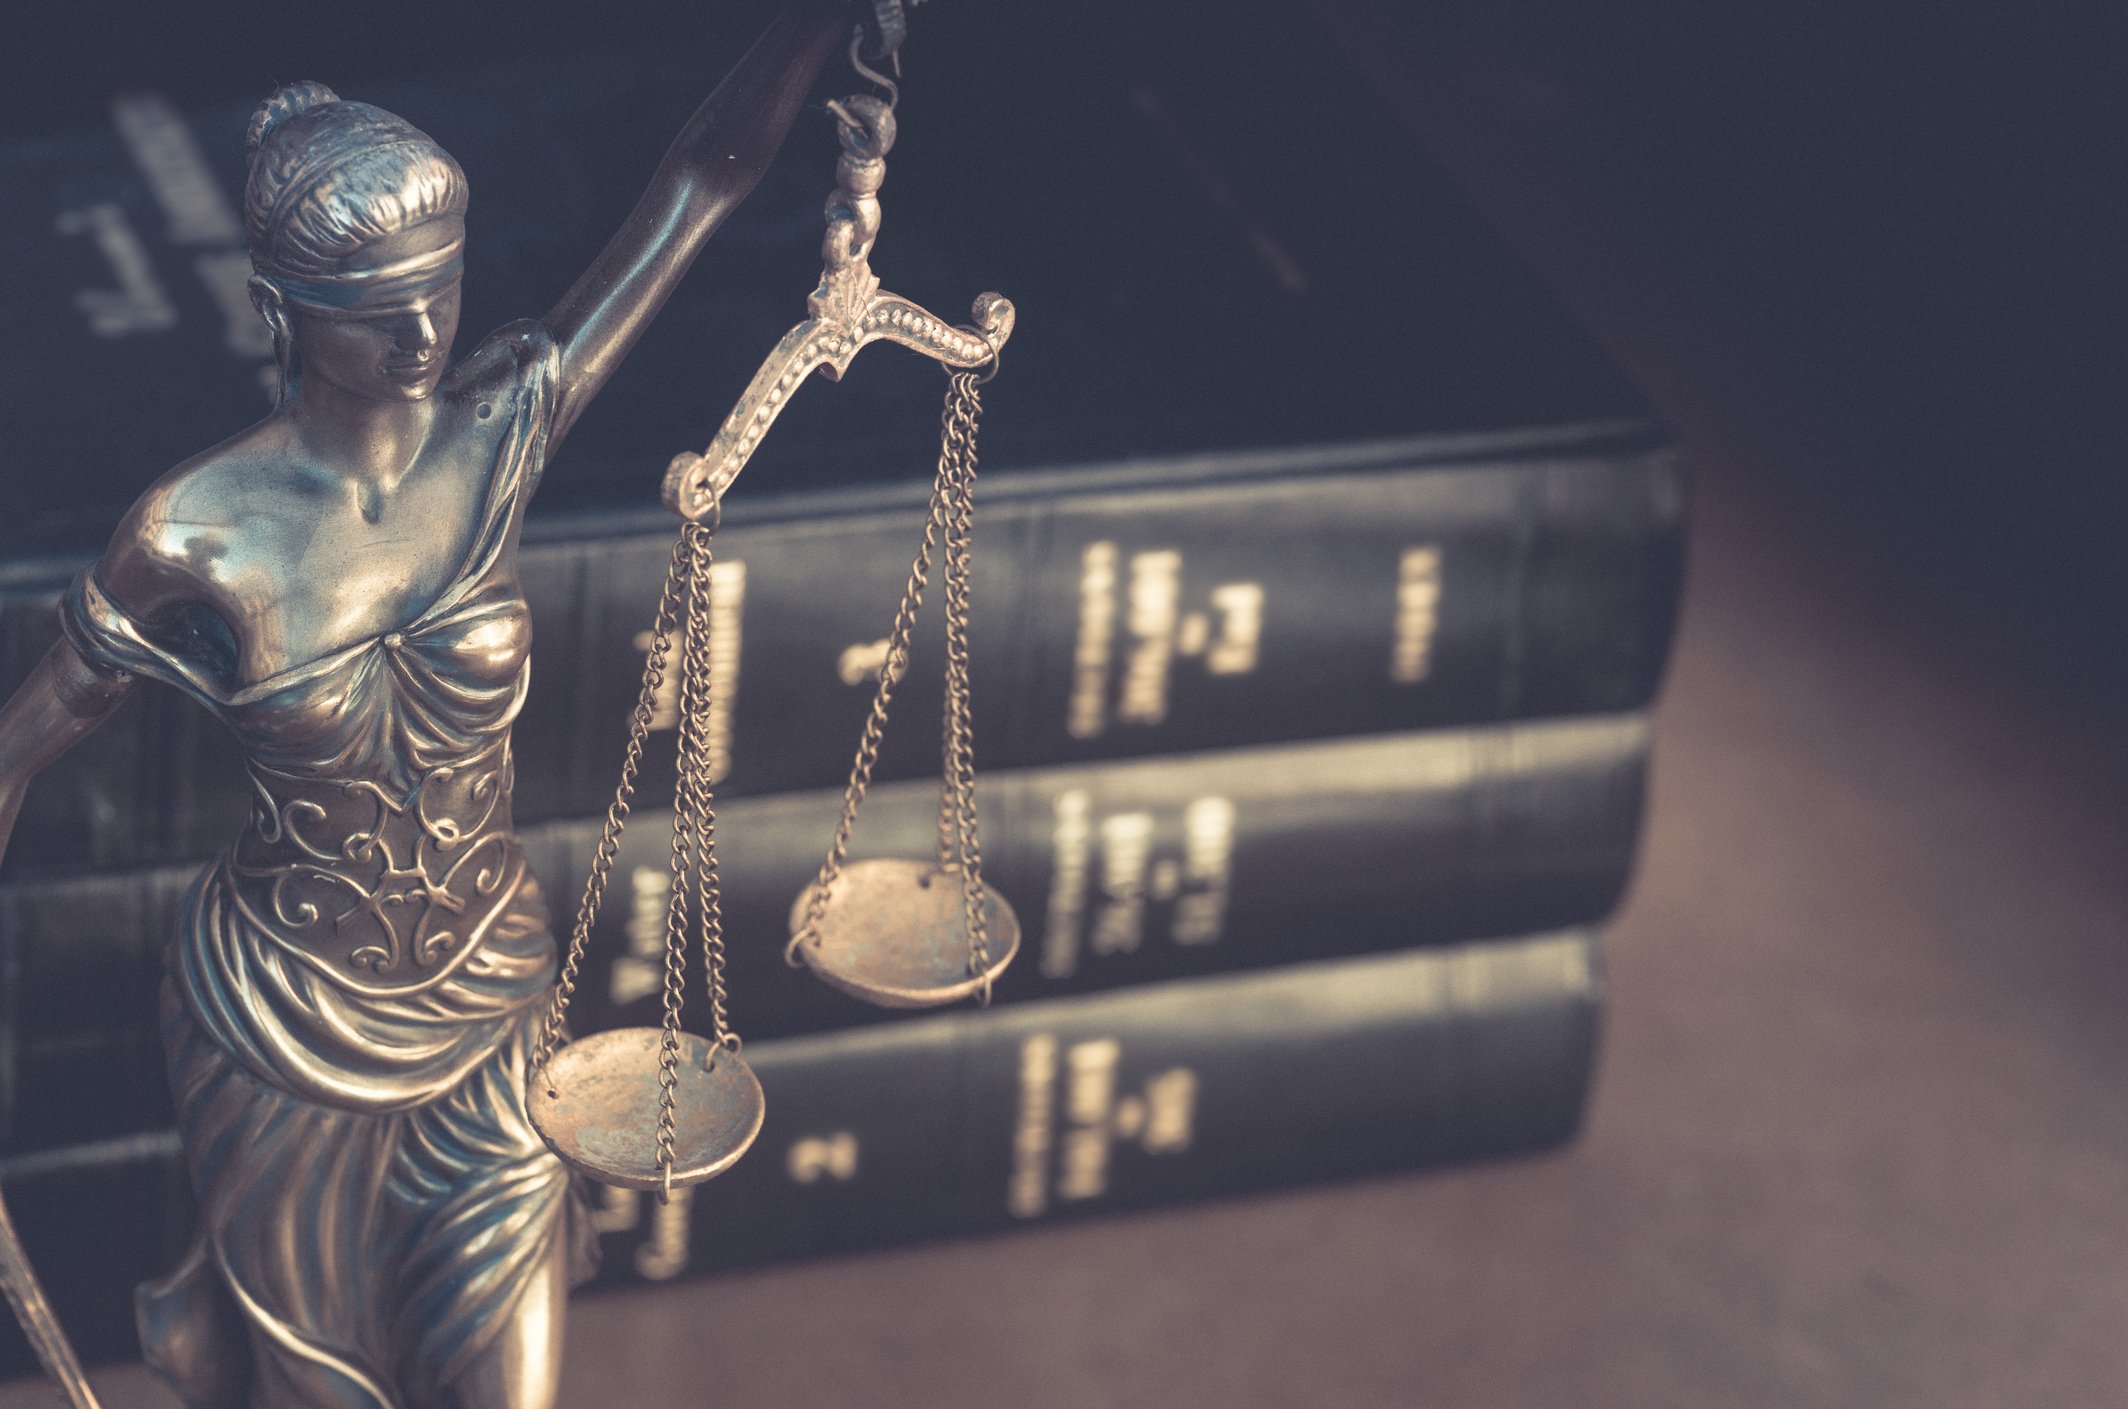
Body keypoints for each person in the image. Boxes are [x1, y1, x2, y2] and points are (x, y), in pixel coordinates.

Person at [0, 5, 849, 1405]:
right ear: (282, 313)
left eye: (439, 292)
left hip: (490, 1004)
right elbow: (25, 739)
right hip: (278, 1024)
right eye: (374, 310)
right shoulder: (195, 531)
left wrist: (823, 25)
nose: (419, 331)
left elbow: (700, 184)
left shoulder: (498, 428)